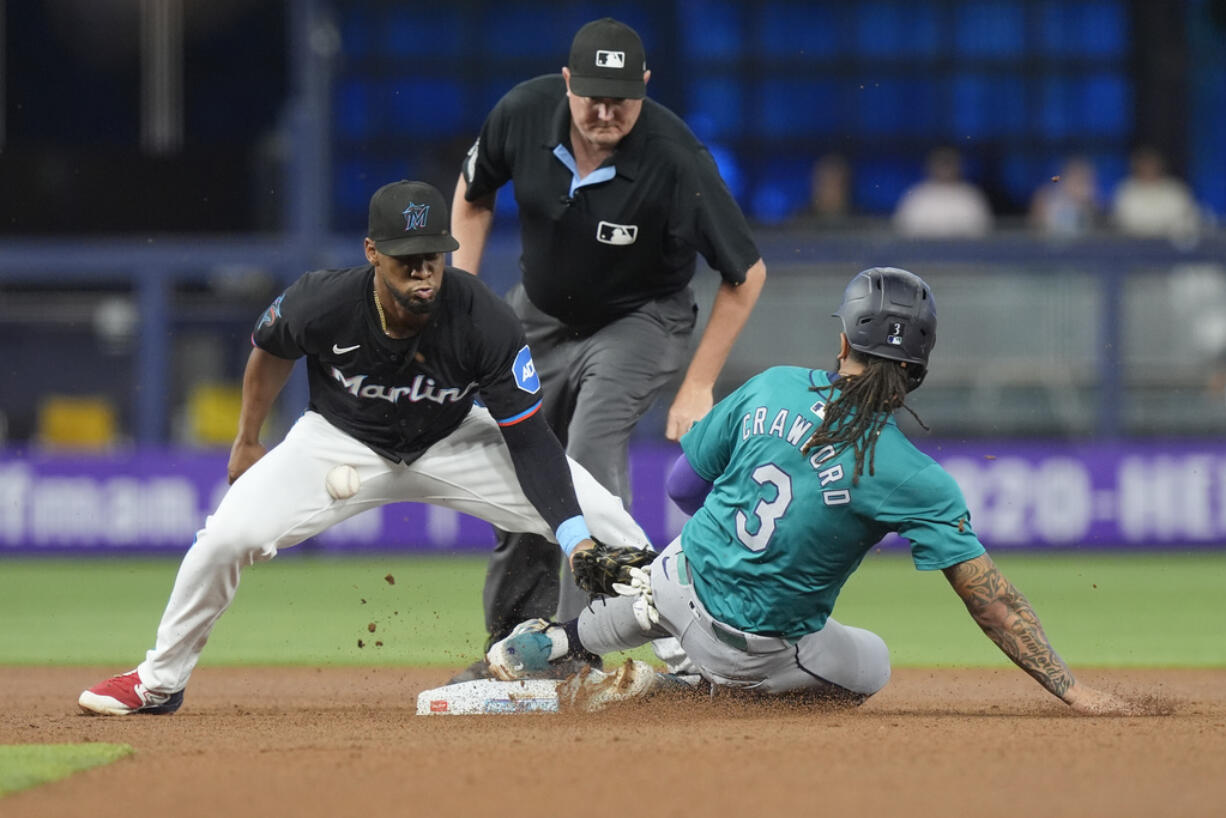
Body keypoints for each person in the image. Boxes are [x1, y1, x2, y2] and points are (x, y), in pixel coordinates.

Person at [76, 180, 654, 716]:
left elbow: (529, 439)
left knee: (608, 521)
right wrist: (248, 438)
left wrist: (574, 538)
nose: (425, 270)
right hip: (338, 441)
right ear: (373, 251)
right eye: (408, 258)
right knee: (226, 538)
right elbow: (270, 349)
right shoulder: (322, 301)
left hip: (453, 438)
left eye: (434, 254)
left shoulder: (484, 318)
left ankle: (696, 657)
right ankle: (158, 682)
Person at [486, 266, 1143, 716]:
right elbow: (992, 605)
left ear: (843, 337)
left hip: (675, 577)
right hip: (748, 647)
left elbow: (687, 486)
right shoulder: (913, 476)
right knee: (875, 664)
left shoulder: (772, 385)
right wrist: (1073, 689)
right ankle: (689, 690)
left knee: (667, 584)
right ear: (917, 367)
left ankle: (562, 640)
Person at [448, 17, 766, 678]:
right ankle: (511, 650)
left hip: (640, 320)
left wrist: (699, 386)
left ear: (645, 88)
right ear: (567, 83)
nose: (604, 109)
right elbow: (473, 196)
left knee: (587, 459)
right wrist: (463, 296)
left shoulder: (675, 158)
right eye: (591, 93)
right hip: (537, 314)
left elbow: (747, 275)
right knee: (518, 468)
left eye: (621, 97)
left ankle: (575, 648)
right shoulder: (522, 114)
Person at [893, 146, 993, 238]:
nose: (945, 170)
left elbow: (981, 231)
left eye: (949, 164)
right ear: (931, 166)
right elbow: (904, 230)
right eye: (941, 164)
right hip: (923, 254)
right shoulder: (917, 195)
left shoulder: (971, 195)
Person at [1111, 146, 1201, 239]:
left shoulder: (1175, 190)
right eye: (1144, 165)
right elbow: (1123, 223)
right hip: (1133, 246)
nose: (1148, 169)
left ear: (1160, 166)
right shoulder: (1125, 191)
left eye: (1152, 165)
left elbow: (1187, 221)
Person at [1029, 156, 1102, 238]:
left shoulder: (1091, 202)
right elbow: (1034, 229)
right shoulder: (1046, 197)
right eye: (1078, 179)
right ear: (1067, 177)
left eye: (1086, 180)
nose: (1085, 186)